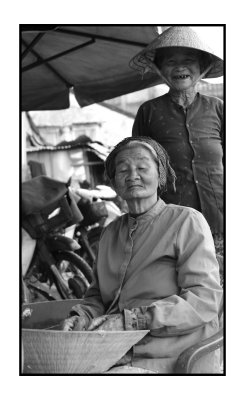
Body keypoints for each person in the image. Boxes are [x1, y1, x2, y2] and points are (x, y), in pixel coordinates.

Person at [62, 136, 222, 374]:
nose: (132, 175)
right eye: (123, 169)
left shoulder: (186, 221)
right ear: (114, 182)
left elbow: (204, 299)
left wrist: (133, 321)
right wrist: (83, 316)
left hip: (169, 355)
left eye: (142, 167)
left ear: (161, 175)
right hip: (112, 350)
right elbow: (97, 297)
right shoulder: (110, 233)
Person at [130, 26, 224, 257]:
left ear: (201, 67)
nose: (180, 67)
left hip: (221, 220)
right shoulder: (149, 111)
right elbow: (138, 168)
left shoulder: (218, 108)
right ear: (160, 70)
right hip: (172, 224)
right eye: (171, 61)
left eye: (189, 60)